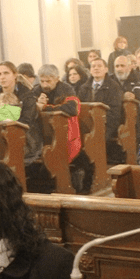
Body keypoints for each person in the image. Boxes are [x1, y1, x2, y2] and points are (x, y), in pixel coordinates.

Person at [33, 64, 93, 194]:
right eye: (42, 81)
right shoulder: (36, 90)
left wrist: (44, 108)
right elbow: (28, 108)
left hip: (66, 133)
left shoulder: (66, 89)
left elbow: (72, 109)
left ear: (57, 79)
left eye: (48, 81)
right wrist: (36, 103)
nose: (44, 85)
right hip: (44, 134)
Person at [0, 61, 43, 166]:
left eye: (6, 73)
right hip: (0, 137)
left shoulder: (26, 95)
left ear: (15, 75)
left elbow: (27, 121)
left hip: (25, 139)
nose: (2, 77)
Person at [77, 58, 124, 164]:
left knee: (94, 140)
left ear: (106, 69)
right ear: (90, 70)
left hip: (107, 123)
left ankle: (98, 169)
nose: (96, 68)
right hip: (87, 123)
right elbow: (80, 107)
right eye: (93, 66)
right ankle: (83, 169)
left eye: (99, 66)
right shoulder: (84, 87)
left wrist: (99, 121)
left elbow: (115, 111)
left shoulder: (114, 87)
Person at [113, 54, 140, 146]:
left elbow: (138, 95)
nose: (119, 69)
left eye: (122, 66)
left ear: (130, 67)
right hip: (116, 116)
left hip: (136, 118)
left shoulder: (139, 77)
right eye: (117, 66)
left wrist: (118, 96)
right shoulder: (111, 78)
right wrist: (122, 95)